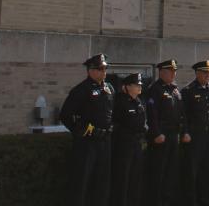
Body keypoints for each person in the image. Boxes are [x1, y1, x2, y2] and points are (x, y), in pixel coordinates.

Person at [60, 53, 114, 206]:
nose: (104, 72)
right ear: (91, 70)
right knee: (82, 182)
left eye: (105, 69)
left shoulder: (109, 88)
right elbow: (65, 115)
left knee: (102, 182)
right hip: (88, 143)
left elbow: (112, 111)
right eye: (100, 69)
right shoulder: (81, 89)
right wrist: (82, 131)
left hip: (105, 142)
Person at [145, 59, 186, 206]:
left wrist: (183, 131)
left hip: (173, 135)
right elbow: (152, 114)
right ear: (162, 72)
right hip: (161, 136)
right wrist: (156, 133)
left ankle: (167, 200)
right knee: (158, 171)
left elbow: (181, 113)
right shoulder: (155, 89)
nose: (174, 74)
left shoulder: (174, 89)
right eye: (171, 71)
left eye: (175, 71)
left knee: (171, 170)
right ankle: (156, 201)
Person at [181, 60, 209, 206]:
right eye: (205, 72)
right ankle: (191, 200)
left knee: (207, 168)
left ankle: (204, 198)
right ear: (197, 73)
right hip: (195, 135)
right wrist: (185, 132)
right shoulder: (189, 90)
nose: (207, 75)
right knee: (192, 171)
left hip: (208, 135)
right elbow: (183, 114)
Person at [111, 72, 147, 206]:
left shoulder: (138, 101)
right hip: (123, 145)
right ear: (127, 87)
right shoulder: (120, 102)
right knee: (122, 178)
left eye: (140, 84)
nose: (139, 87)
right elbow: (115, 123)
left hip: (136, 144)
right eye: (136, 85)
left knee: (135, 177)